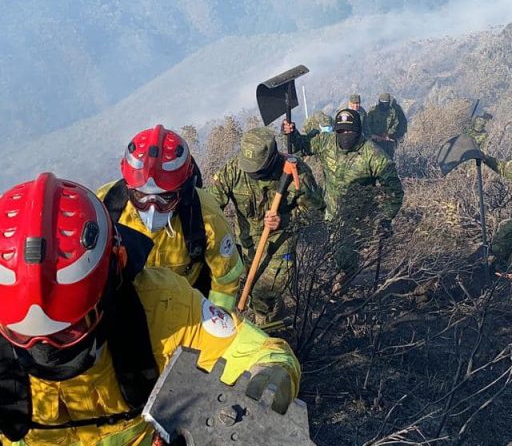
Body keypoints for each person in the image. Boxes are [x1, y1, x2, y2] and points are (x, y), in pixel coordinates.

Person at [0, 173, 300, 446]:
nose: (45, 349)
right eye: (23, 336)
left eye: (67, 332)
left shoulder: (160, 308)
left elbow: (263, 354)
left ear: (111, 282)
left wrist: (268, 383)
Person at [96, 125, 243, 310]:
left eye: (165, 198)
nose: (152, 209)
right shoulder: (105, 207)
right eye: (141, 196)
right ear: (128, 186)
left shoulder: (206, 216)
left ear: (184, 190)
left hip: (184, 314)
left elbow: (226, 278)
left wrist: (213, 323)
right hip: (126, 312)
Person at [209, 127, 324, 325]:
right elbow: (210, 204)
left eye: (259, 171)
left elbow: (316, 213)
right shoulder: (234, 170)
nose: (253, 174)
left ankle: (269, 330)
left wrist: (284, 220)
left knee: (265, 291)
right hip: (247, 243)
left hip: (281, 240)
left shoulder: (298, 174)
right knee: (244, 286)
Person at [283, 109, 404, 287]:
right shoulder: (327, 142)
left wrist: (384, 217)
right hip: (328, 209)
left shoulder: (373, 155)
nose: (345, 135)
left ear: (358, 131)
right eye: (341, 131)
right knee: (315, 246)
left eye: (349, 131)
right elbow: (305, 145)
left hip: (356, 216)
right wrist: (292, 134)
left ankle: (342, 282)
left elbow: (394, 190)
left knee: (344, 255)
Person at [365, 93, 407, 157]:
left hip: (387, 141)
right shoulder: (373, 111)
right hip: (374, 141)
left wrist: (388, 134)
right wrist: (373, 135)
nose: (384, 105)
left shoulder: (392, 112)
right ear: (379, 101)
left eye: (386, 103)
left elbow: (395, 124)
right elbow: (367, 124)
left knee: (388, 159)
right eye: (382, 103)